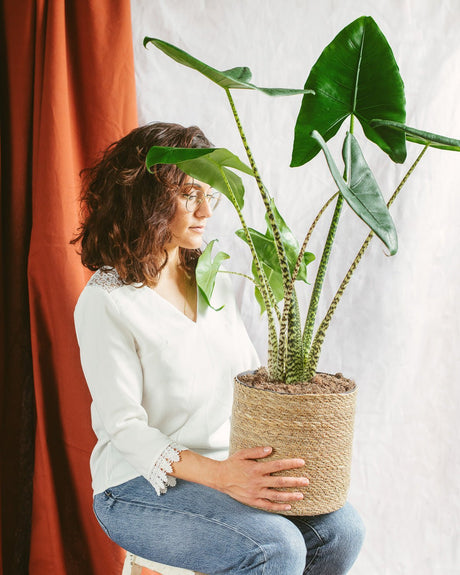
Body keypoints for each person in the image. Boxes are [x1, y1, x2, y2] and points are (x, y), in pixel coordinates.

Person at [72, 122, 365, 574]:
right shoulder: (107, 300)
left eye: (209, 194)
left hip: (223, 471)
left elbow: (249, 378)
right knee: (275, 547)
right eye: (189, 194)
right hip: (135, 486)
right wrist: (224, 478)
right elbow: (125, 429)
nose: (206, 210)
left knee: (341, 529)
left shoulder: (212, 278)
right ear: (146, 197)